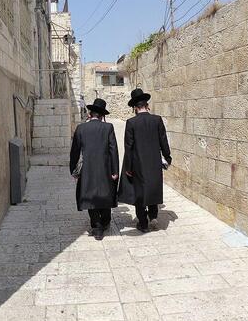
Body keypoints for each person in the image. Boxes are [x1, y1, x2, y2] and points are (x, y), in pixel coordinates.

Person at [119, 88, 172, 233]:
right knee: (153, 188)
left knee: (140, 192)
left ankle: (143, 223)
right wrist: (167, 157)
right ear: (147, 105)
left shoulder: (131, 123)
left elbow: (128, 147)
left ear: (135, 108)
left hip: (138, 164)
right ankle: (153, 217)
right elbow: (163, 141)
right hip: (154, 162)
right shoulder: (157, 120)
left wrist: (128, 168)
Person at [70, 98, 120, 240]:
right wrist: (115, 171)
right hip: (105, 169)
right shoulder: (108, 127)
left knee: (90, 196)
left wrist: (73, 170)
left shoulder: (81, 129)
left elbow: (74, 152)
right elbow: (113, 150)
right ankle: (105, 221)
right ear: (102, 115)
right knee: (105, 193)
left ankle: (97, 227)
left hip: (87, 170)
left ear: (89, 114)